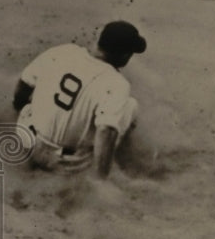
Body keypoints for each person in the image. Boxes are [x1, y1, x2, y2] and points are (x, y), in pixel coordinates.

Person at [13, 21, 147, 179]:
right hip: (65, 164)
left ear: (98, 39)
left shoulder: (63, 51)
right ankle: (123, 163)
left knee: (32, 102)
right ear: (125, 55)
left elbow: (24, 84)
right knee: (130, 106)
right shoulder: (116, 83)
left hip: (25, 143)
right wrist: (100, 181)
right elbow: (105, 131)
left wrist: (18, 111)